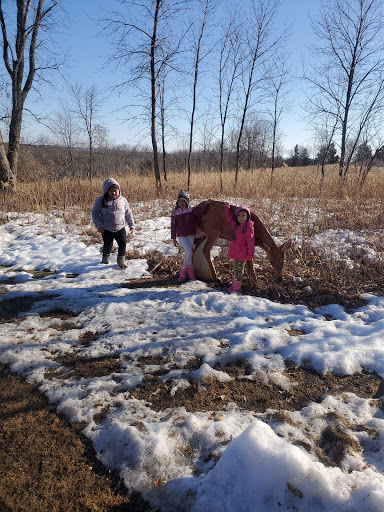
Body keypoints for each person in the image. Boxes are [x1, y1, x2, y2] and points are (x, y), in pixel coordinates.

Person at [92, 178, 135, 269]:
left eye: (115, 191)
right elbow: (95, 213)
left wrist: (131, 225)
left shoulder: (123, 200)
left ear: (119, 190)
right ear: (106, 191)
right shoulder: (101, 200)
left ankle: (121, 262)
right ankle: (105, 261)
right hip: (106, 228)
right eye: (111, 191)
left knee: (123, 244)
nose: (114, 193)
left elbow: (128, 213)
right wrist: (99, 225)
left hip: (120, 228)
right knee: (108, 245)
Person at [171, 190, 208, 282]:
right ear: (177, 202)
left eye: (184, 201)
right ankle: (190, 272)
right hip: (181, 236)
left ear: (187, 201)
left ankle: (183, 273)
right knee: (189, 252)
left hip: (190, 234)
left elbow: (200, 212)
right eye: (180, 201)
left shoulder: (191, 210)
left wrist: (206, 204)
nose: (182, 203)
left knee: (188, 254)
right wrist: (173, 238)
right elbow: (173, 226)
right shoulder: (175, 212)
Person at [225, 203, 255, 293]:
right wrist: (227, 208)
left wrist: (250, 254)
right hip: (237, 252)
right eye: (239, 215)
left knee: (239, 270)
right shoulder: (236, 225)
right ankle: (235, 285)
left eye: (243, 215)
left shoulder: (248, 228)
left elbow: (251, 242)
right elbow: (229, 218)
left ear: (247, 217)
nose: (241, 217)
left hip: (242, 253)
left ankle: (237, 288)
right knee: (236, 268)